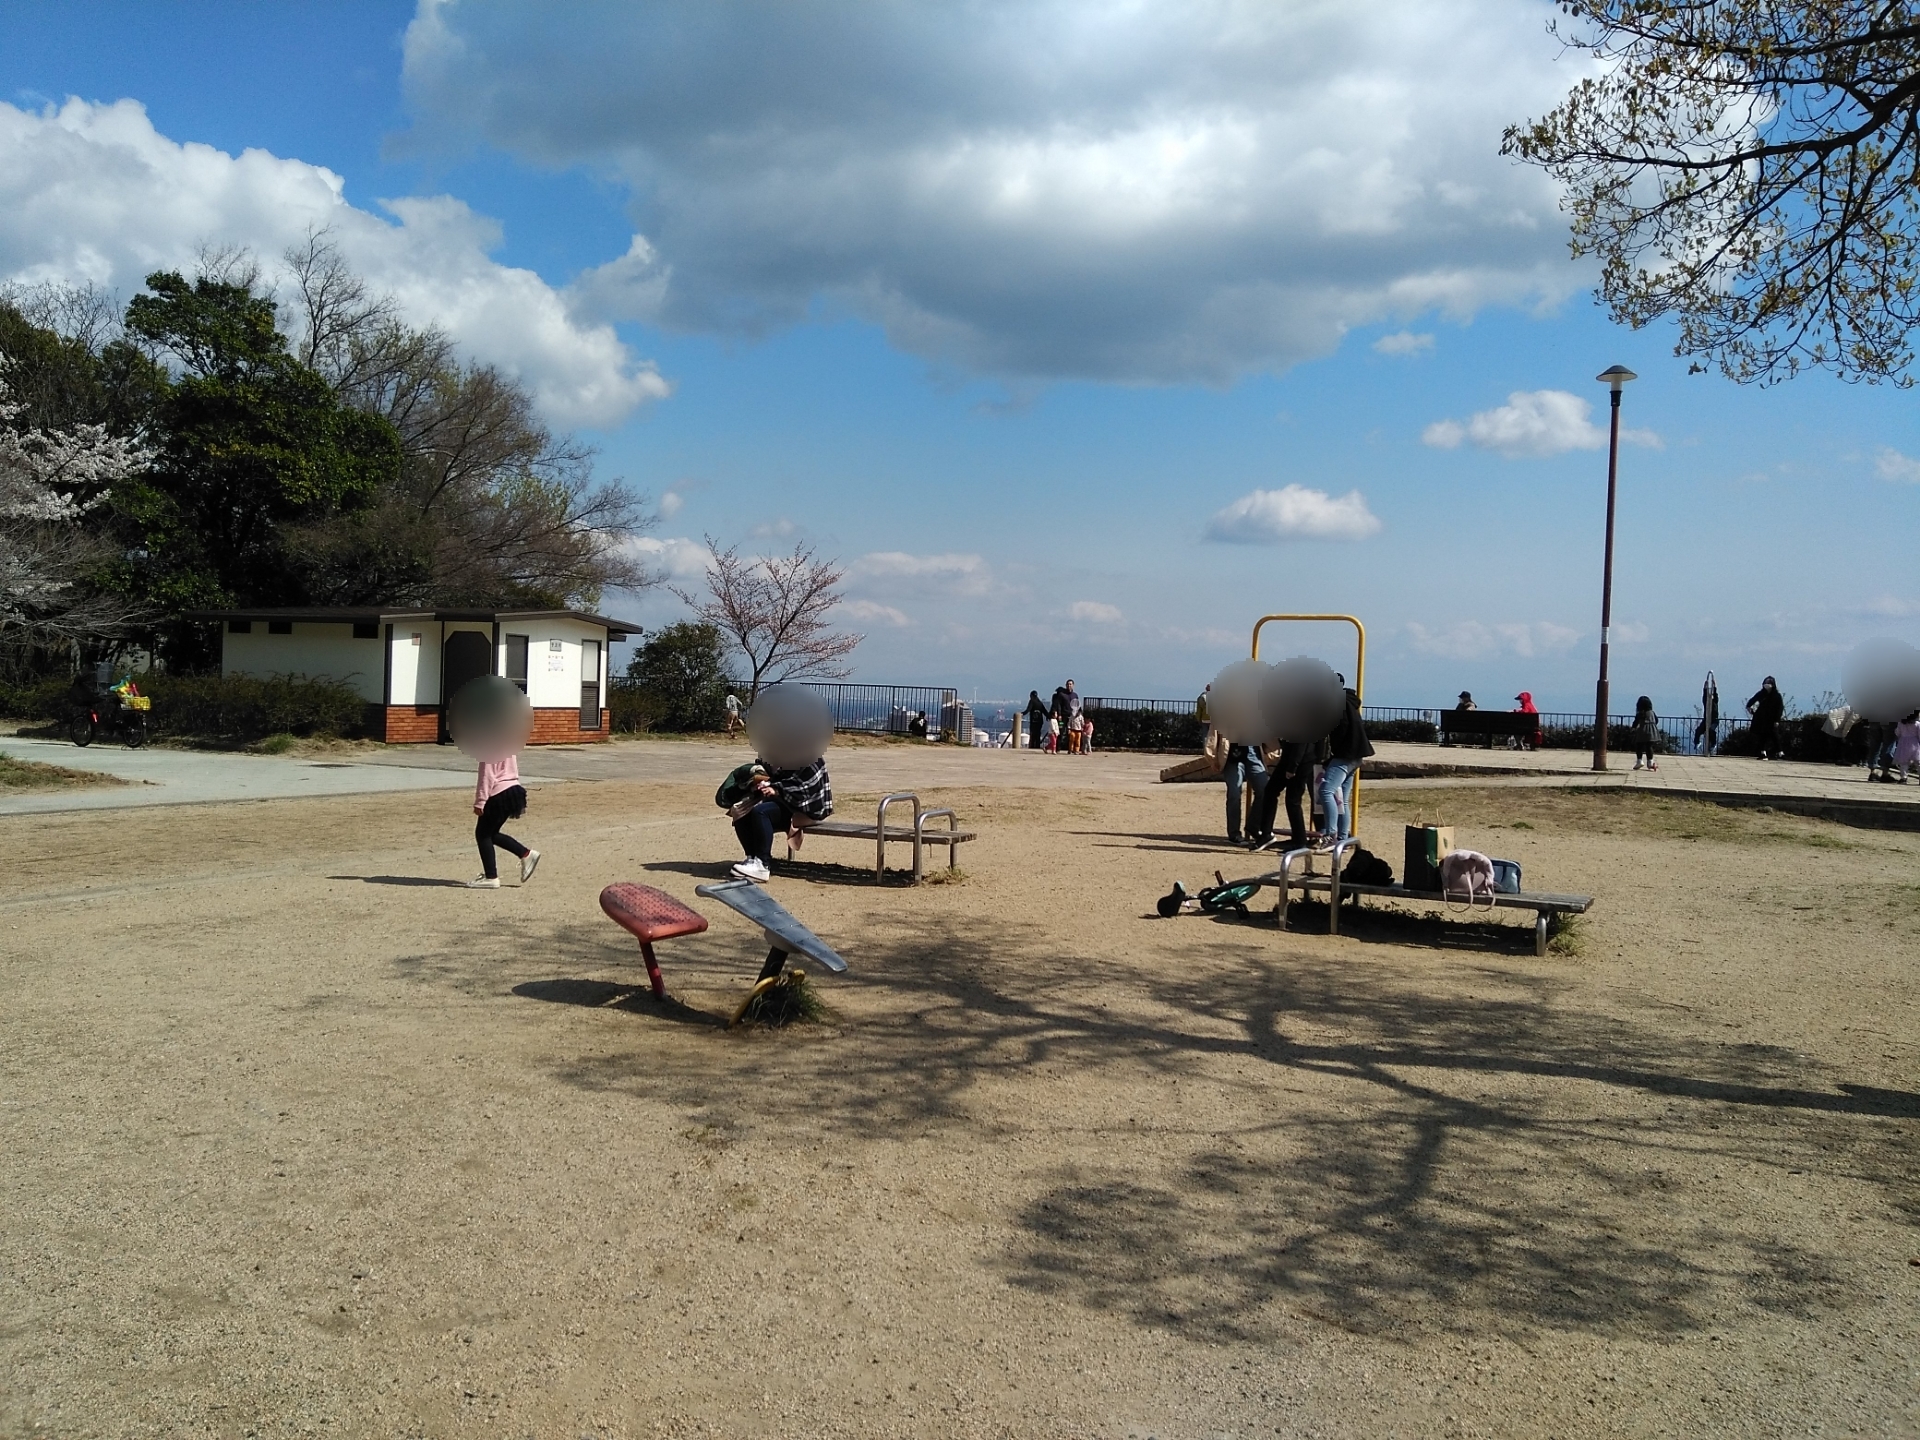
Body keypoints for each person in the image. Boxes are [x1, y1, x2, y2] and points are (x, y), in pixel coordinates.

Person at [728, 754, 834, 883]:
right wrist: (758, 782)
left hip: (807, 808)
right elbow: (766, 773)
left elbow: (807, 787)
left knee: (761, 812)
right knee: (740, 810)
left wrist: (777, 789)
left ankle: (762, 864)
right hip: (782, 802)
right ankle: (752, 857)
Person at [469, 752, 538, 889]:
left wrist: (480, 801)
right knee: (491, 833)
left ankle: (491, 877)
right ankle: (525, 854)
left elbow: (487, 775)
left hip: (499, 792)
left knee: (483, 834)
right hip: (514, 788)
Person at [1318, 677, 1373, 844]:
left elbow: (1339, 733)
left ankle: (1331, 834)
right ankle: (1342, 837)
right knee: (1343, 797)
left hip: (1346, 755)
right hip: (1356, 755)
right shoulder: (1348, 701)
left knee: (1326, 791)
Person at [1247, 739, 1313, 851]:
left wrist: (1293, 767)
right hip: (1290, 758)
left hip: (1300, 761)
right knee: (1270, 792)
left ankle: (1300, 841)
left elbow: (1301, 742)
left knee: (1293, 801)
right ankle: (1266, 834)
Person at [1222, 739, 1267, 845]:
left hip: (1253, 753)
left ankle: (1253, 826)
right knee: (1234, 794)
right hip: (1232, 755)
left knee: (1265, 790)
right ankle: (1234, 834)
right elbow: (1212, 735)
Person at [1746, 676, 1785, 759]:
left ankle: (1780, 753)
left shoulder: (1777, 696)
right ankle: (1763, 752)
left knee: (1774, 736)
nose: (1767, 685)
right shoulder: (1761, 694)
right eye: (1766, 683)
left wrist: (1777, 720)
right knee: (1762, 736)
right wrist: (1750, 709)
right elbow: (1751, 701)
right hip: (1761, 718)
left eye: (1769, 683)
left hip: (1772, 719)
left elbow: (1780, 708)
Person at [1631, 695, 1660, 771]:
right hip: (1652, 730)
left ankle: (1639, 761)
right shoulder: (1652, 713)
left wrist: (1633, 728)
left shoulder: (1640, 713)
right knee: (1649, 746)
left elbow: (1636, 722)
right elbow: (1657, 721)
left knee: (1639, 746)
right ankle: (1650, 762)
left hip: (1642, 730)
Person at [1695, 671, 1720, 755]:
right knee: (1698, 730)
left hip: (1714, 720)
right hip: (1706, 719)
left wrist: (1714, 684)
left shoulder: (1715, 701)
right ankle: (1697, 742)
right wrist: (1705, 686)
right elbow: (1705, 695)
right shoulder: (1706, 702)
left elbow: (1716, 694)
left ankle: (1713, 744)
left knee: (1711, 730)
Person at [1893, 710, 1920, 783]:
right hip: (1914, 743)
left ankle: (1904, 777)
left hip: (1903, 743)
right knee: (1918, 761)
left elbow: (1897, 733)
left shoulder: (1901, 723)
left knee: (1903, 762)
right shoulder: (1917, 724)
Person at [1063, 680, 1084, 754]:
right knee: (1067, 735)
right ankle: (1069, 749)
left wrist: (1080, 712)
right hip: (1065, 716)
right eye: (1068, 684)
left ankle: (1076, 750)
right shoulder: (1062, 694)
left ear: (1073, 685)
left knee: (1077, 739)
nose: (1069, 685)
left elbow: (1078, 704)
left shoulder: (1075, 695)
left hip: (1076, 723)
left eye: (1070, 684)